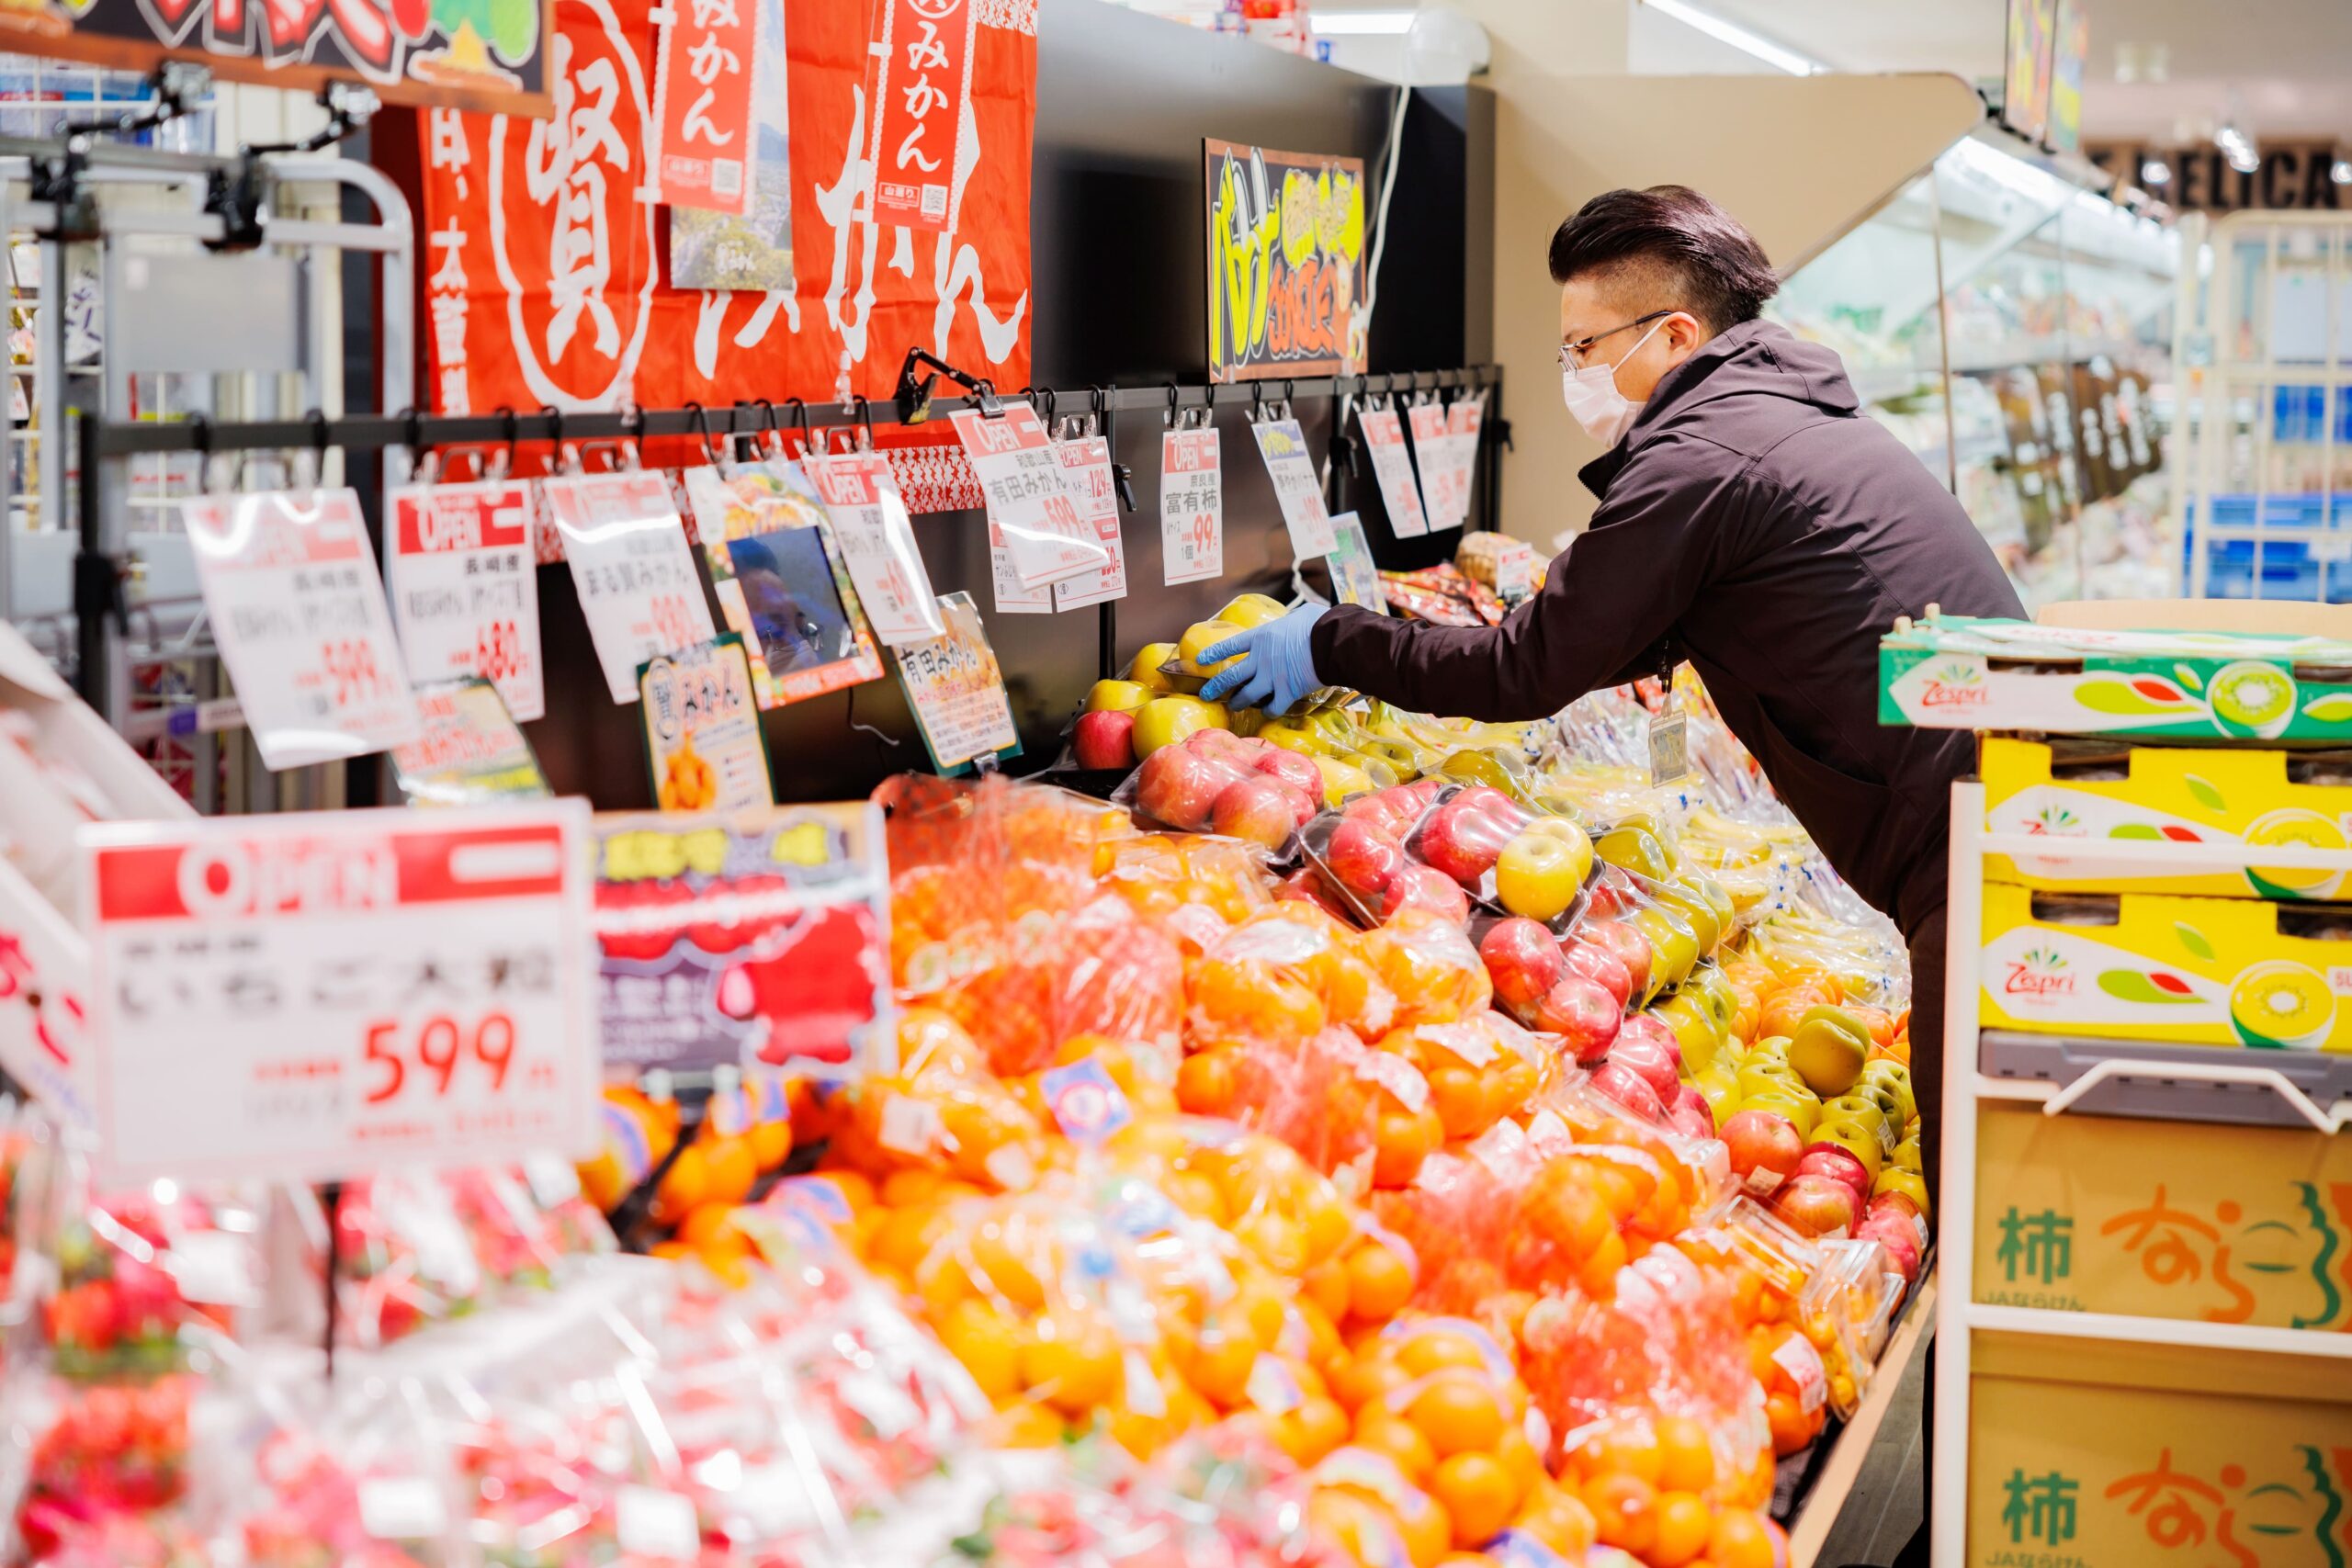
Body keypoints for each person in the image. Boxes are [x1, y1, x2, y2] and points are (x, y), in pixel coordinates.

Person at [1201, 184, 2025, 1568]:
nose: (1575, 372)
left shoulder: (1702, 457)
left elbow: (1531, 666)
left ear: (1674, 334)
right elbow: (1656, 623)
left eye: (1586, 346)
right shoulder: (1782, 415)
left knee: (1984, 1210)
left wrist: (1332, 641)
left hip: (1973, 853)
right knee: (1982, 1196)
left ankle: (1974, 1531)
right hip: (1992, 819)